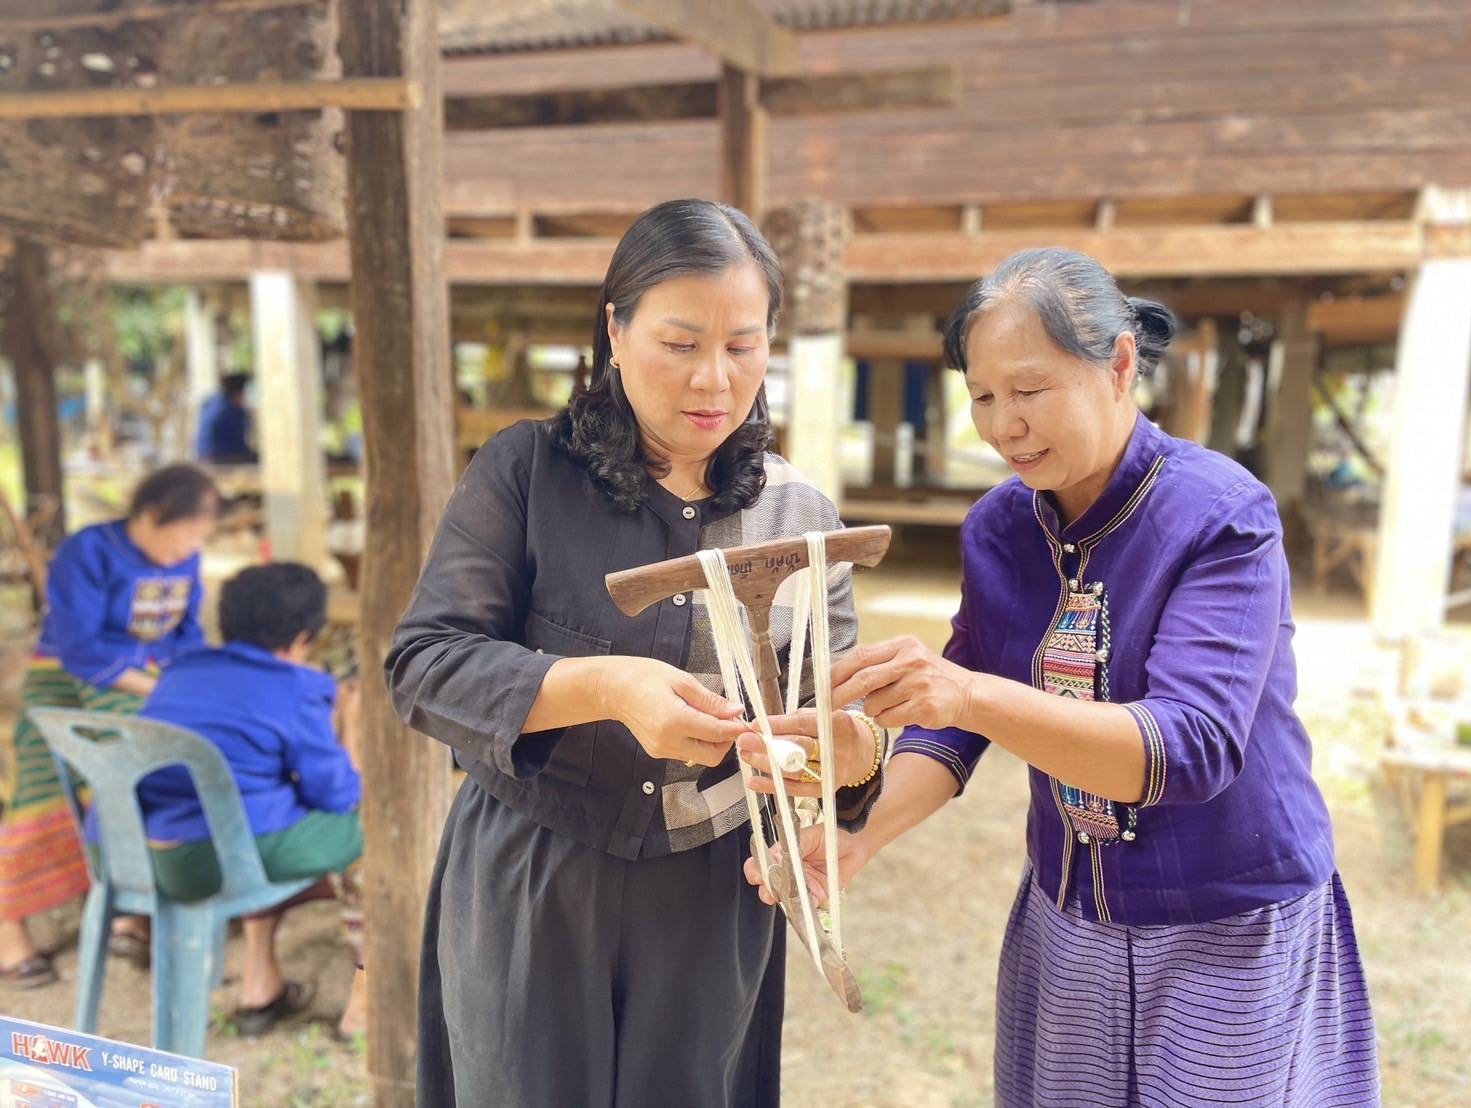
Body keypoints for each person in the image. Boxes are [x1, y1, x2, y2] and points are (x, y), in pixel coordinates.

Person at [751, 249, 1381, 1106]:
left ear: (1118, 365)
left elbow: (1187, 751)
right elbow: (957, 716)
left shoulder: (1220, 516)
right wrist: (861, 838)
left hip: (1227, 921)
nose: (1003, 423)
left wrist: (966, 692)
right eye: (980, 396)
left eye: (1030, 389)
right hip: (1068, 917)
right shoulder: (1001, 527)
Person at [387, 198, 886, 1106]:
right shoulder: (526, 473)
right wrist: (606, 687)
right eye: (679, 343)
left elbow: (834, 711)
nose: (712, 381)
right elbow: (424, 663)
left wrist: (850, 755)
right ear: (614, 331)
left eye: (742, 346)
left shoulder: (800, 518)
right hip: (537, 875)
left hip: (711, 892)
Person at [119, 562, 365, 1038]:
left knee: (262, 809)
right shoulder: (297, 687)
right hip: (218, 863)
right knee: (381, 836)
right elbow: (340, 796)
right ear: (303, 638)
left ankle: (259, 983)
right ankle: (366, 1004)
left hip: (138, 855)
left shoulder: (180, 671)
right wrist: (349, 722)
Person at [1, 464, 218, 987]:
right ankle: (9, 934)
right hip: (66, 680)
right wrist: (155, 689)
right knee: (42, 788)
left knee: (146, 777)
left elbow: (187, 634)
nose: (193, 545)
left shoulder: (185, 561)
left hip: (149, 681)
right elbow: (78, 645)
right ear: (151, 515)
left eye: (202, 536)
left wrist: (189, 680)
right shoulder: (88, 552)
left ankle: (127, 909)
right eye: (187, 530)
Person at [195, 373, 256, 465]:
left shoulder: (213, 402)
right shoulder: (232, 410)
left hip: (202, 456)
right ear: (238, 393)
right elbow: (239, 445)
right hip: (218, 458)